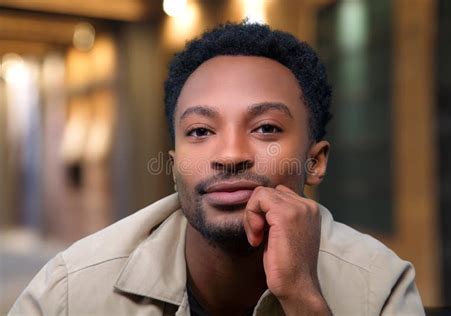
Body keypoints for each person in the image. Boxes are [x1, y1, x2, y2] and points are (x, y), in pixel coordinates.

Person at [9, 22, 424, 316]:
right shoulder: (70, 290)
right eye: (200, 130)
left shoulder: (378, 284)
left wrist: (302, 296)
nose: (229, 155)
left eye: (265, 128)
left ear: (314, 161)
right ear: (174, 166)